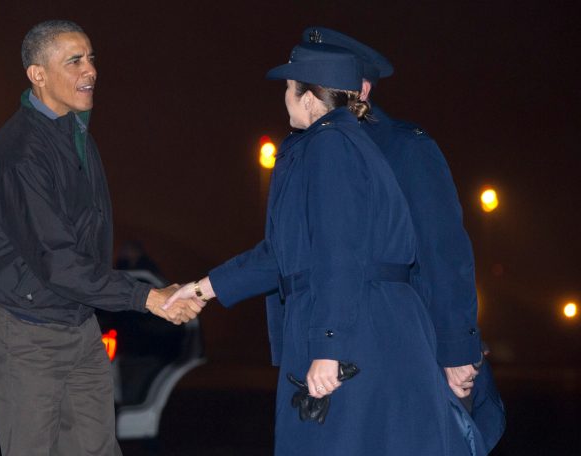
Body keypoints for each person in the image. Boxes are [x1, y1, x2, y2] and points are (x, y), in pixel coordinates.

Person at [165, 43, 484, 454]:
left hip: (354, 332)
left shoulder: (329, 146)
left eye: (289, 88)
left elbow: (339, 253)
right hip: (362, 323)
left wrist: (330, 347)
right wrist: (199, 290)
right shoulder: (339, 144)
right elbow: (282, 254)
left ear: (310, 98)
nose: (283, 98)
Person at [0, 20, 201, 456]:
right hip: (25, 331)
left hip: (77, 323)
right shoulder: (21, 153)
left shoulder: (72, 129)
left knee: (98, 449)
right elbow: (57, 260)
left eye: (90, 58)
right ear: (38, 74)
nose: (90, 70)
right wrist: (147, 298)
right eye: (74, 61)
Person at [300, 26, 505, 451]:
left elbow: (445, 255)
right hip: (335, 349)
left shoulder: (404, 148)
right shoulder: (311, 151)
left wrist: (457, 351)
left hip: (405, 348)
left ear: (362, 88)